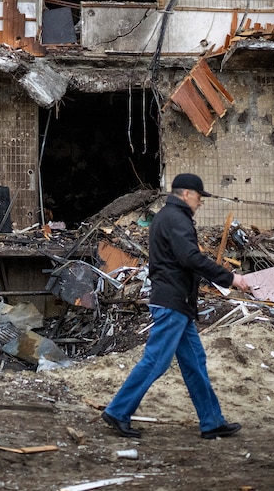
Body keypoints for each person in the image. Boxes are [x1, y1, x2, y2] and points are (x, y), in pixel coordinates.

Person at [101, 173, 251, 440]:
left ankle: (212, 421)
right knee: (156, 362)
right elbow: (190, 257)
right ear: (185, 194)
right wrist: (230, 278)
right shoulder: (176, 219)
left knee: (194, 363)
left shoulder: (167, 218)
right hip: (172, 303)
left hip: (176, 304)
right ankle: (118, 411)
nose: (201, 202)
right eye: (199, 197)